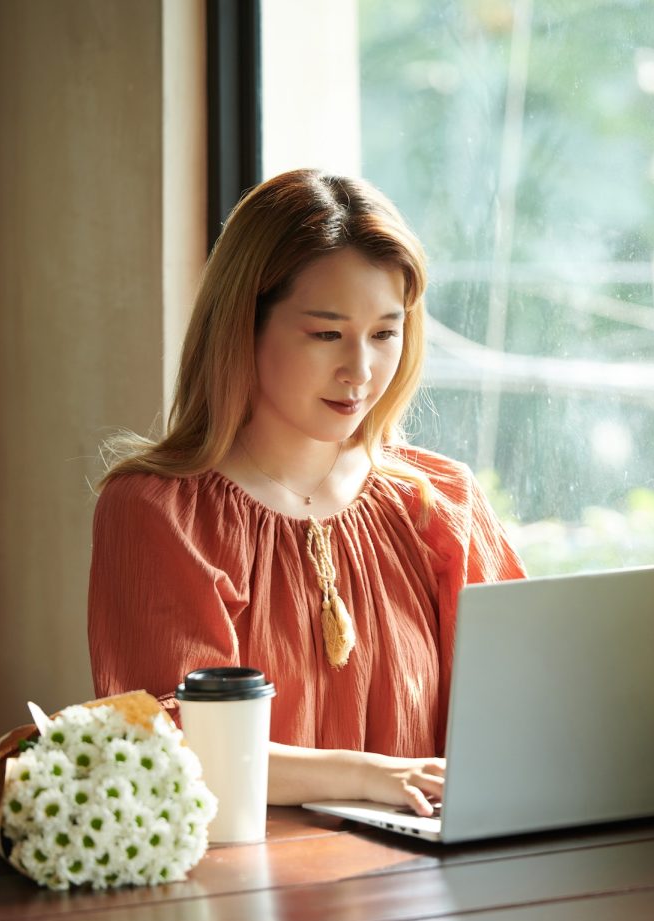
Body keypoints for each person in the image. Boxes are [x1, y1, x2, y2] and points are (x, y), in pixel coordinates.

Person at [88, 168, 526, 816]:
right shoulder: (160, 512)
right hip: (243, 897)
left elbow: (522, 712)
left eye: (384, 332)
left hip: (426, 891)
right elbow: (168, 743)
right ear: (244, 324)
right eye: (326, 334)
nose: (361, 370)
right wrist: (369, 776)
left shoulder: (443, 503)